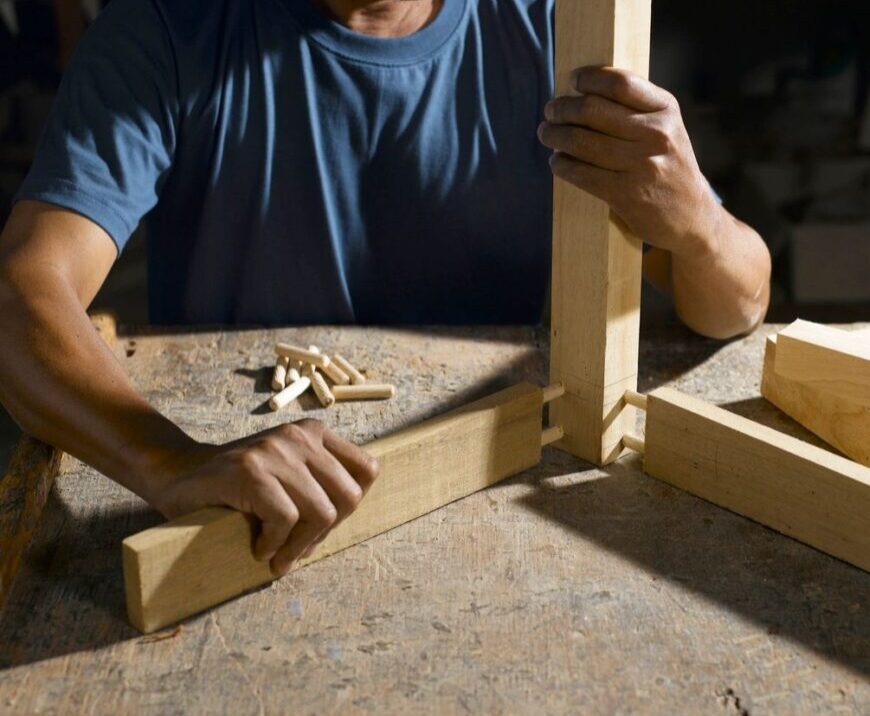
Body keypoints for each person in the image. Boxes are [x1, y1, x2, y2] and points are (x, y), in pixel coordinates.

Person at [0, 0, 771, 575]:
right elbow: (20, 296)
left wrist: (696, 221)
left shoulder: (556, 36)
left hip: (498, 481)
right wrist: (167, 461)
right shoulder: (170, 28)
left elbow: (736, 304)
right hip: (244, 489)